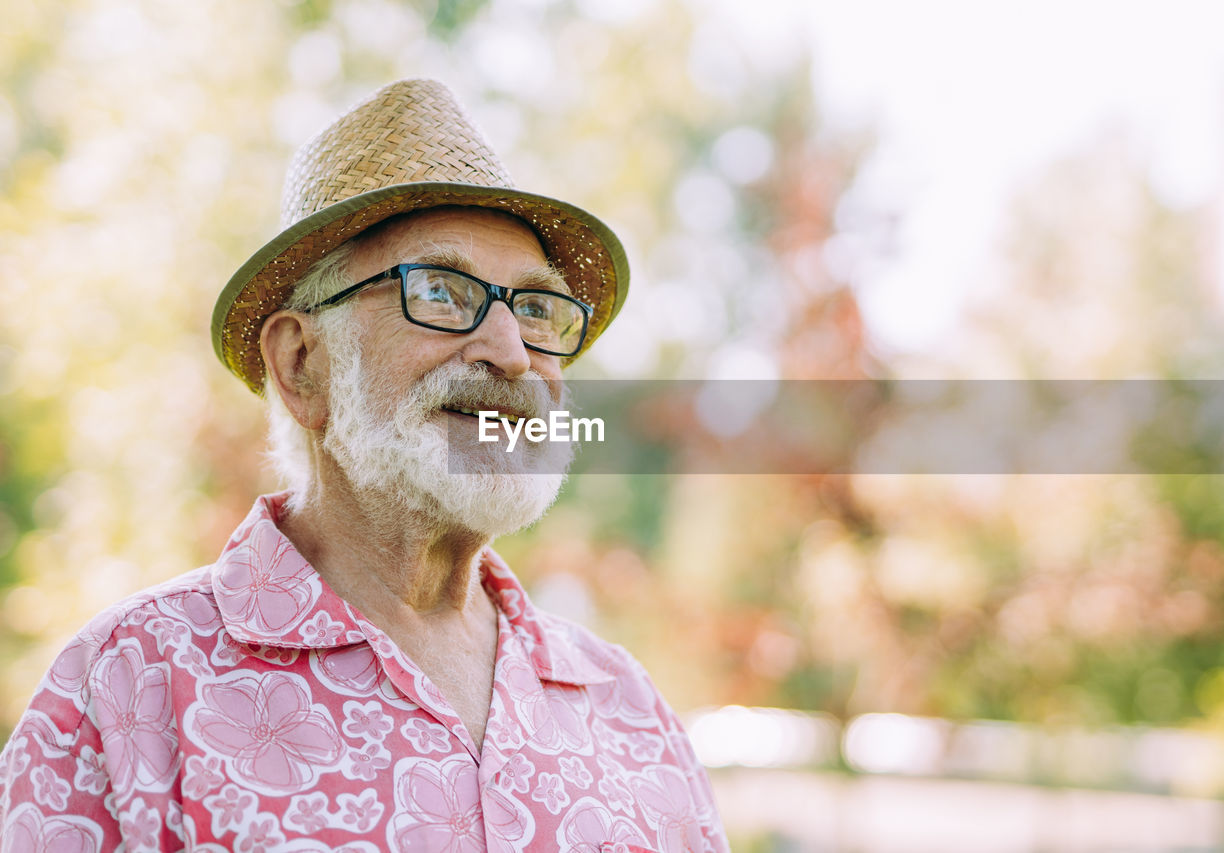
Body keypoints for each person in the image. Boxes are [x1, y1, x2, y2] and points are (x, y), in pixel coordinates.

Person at [0, 79, 727, 851]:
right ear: (301, 364)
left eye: (538, 308)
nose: (512, 354)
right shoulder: (129, 686)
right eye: (443, 292)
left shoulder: (627, 706)